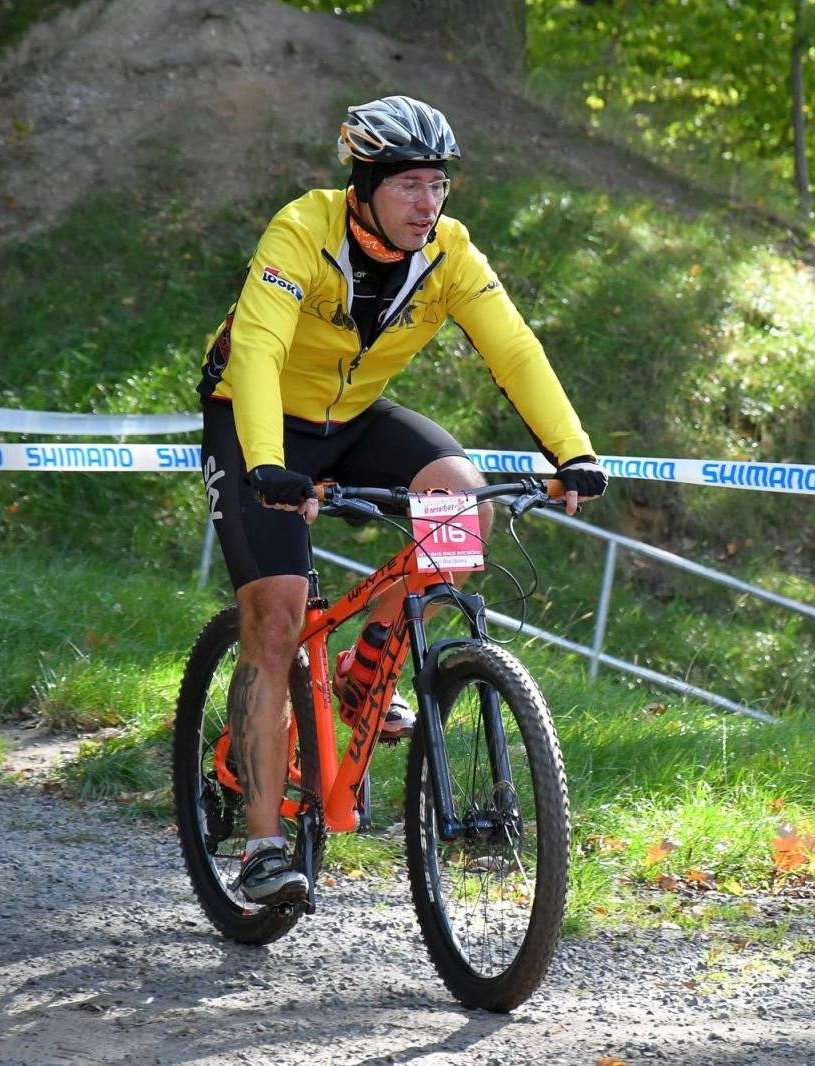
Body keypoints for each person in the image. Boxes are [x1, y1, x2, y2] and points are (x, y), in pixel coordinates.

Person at [198, 94, 607, 905]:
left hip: (350, 417)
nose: (430, 203)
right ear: (366, 186)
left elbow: (515, 350)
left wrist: (573, 451)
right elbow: (258, 349)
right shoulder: (301, 231)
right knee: (276, 614)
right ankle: (262, 845)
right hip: (254, 416)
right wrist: (271, 467)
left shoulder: (449, 253)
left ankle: (365, 672)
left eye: (439, 184)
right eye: (412, 185)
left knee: (463, 503)